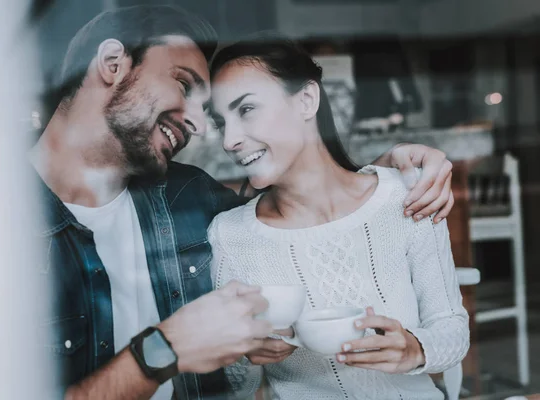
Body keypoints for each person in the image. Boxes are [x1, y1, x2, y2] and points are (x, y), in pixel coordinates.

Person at [31, 5, 455, 400]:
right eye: (183, 84)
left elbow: (315, 206)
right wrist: (164, 350)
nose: (200, 126)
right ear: (112, 64)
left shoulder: (189, 199)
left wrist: (388, 172)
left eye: (208, 109)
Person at [208, 36, 469, 399]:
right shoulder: (230, 236)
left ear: (306, 100)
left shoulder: (403, 198)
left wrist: (414, 349)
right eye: (221, 122)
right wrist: (243, 354)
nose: (229, 140)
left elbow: (451, 329)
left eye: (247, 109)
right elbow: (237, 388)